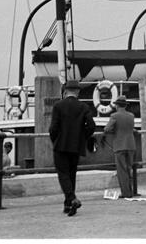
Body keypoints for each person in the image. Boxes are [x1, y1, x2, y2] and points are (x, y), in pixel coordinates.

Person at [49, 79, 96, 216]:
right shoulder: (83, 107)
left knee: (63, 174)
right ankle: (68, 204)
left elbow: (53, 128)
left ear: (65, 92)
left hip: (61, 145)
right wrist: (82, 137)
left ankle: (72, 199)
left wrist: (55, 141)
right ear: (78, 92)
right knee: (71, 174)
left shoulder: (58, 106)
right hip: (76, 146)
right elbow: (91, 126)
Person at [103, 95, 137, 198]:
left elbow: (107, 129)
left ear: (117, 106)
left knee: (122, 171)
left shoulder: (114, 116)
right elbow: (131, 128)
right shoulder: (131, 115)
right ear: (125, 106)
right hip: (131, 145)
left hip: (120, 145)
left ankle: (126, 193)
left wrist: (114, 130)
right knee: (129, 168)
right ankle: (131, 191)